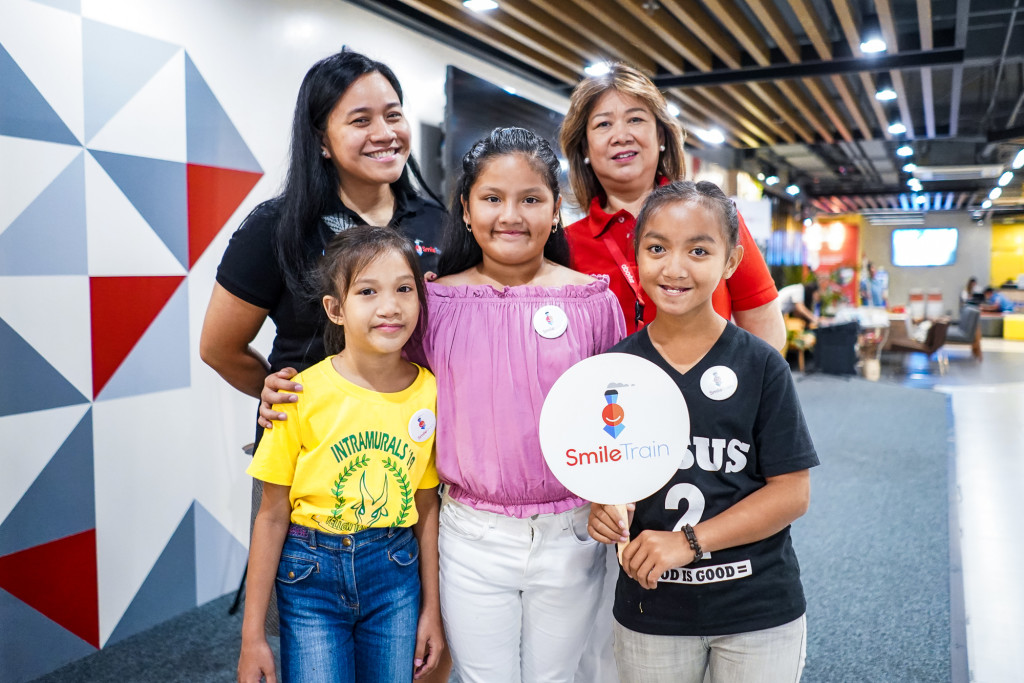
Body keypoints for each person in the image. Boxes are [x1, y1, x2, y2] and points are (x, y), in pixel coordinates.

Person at [261, 127, 626, 682]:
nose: (511, 215)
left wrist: (616, 496)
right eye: (492, 198)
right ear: (465, 208)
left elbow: (616, 414)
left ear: (555, 210)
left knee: (558, 677)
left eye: (531, 199)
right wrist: (286, 390)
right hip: (469, 532)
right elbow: (373, 375)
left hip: (571, 530)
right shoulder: (433, 302)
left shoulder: (593, 301)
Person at [587, 180, 818, 683]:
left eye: (698, 250)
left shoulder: (761, 365)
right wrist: (604, 507)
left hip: (758, 605)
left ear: (731, 261)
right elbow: (606, 472)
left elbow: (792, 494)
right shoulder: (612, 370)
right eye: (656, 248)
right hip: (653, 608)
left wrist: (688, 542)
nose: (674, 268)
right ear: (638, 254)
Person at [238, 226, 443, 683]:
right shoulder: (299, 394)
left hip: (395, 575)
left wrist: (433, 610)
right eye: (367, 291)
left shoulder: (429, 391)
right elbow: (271, 515)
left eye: (404, 289)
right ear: (335, 309)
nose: (389, 306)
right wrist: (252, 636)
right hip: (310, 579)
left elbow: (428, 504)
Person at [200, 49, 444, 433]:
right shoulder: (278, 225)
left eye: (393, 115)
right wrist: (278, 391)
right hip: (311, 446)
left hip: (411, 444)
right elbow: (219, 349)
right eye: (361, 120)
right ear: (322, 141)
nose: (384, 133)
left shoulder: (438, 222)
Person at [558, 62, 784, 349]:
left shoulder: (715, 219)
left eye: (636, 119)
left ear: (661, 136)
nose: (621, 135)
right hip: (611, 394)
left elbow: (766, 333)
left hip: (706, 391)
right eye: (603, 124)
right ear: (584, 148)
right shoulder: (567, 244)